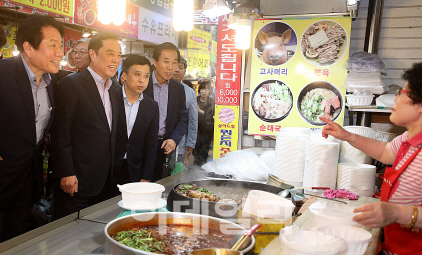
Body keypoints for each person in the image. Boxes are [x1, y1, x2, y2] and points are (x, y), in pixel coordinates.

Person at [321, 62, 422, 254]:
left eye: (402, 92)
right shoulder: (408, 139)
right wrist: (347, 136)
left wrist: (398, 213)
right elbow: (384, 152)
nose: (396, 98)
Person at [0, 14, 64, 241]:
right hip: (3, 175)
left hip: (27, 181)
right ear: (28, 47)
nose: (60, 53)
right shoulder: (3, 73)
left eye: (61, 46)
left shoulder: (50, 83)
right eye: (53, 45)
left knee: (14, 240)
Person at [51, 32, 121, 219]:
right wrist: (66, 172)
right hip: (76, 181)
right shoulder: (71, 84)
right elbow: (60, 133)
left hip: (105, 181)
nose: (116, 59)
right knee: (68, 235)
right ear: (93, 54)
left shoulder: (114, 90)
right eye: (110, 53)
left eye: (119, 55)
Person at [144, 42, 188, 181]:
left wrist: (174, 140)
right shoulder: (142, 83)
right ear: (155, 62)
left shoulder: (178, 88)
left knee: (160, 188)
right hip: (142, 147)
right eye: (166, 61)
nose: (171, 67)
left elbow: (183, 118)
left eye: (174, 62)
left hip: (165, 147)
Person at [114, 54, 159, 184]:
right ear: (124, 75)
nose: (142, 80)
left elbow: (151, 144)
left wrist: (146, 176)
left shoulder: (151, 106)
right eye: (137, 74)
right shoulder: (111, 97)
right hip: (108, 167)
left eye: (146, 76)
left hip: (135, 168)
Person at [172, 57, 198, 165]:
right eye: (175, 66)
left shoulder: (190, 92)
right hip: (159, 141)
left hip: (180, 143)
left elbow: (193, 119)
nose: (177, 70)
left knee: (176, 172)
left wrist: (191, 143)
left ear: (184, 71)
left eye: (181, 67)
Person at [193, 80, 215, 165]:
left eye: (206, 89)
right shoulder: (195, 100)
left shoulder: (211, 101)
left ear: (209, 91)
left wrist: (199, 110)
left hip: (207, 130)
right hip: (196, 129)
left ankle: (202, 167)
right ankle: (195, 167)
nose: (203, 91)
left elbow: (211, 115)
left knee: (204, 151)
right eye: (202, 89)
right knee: (195, 151)